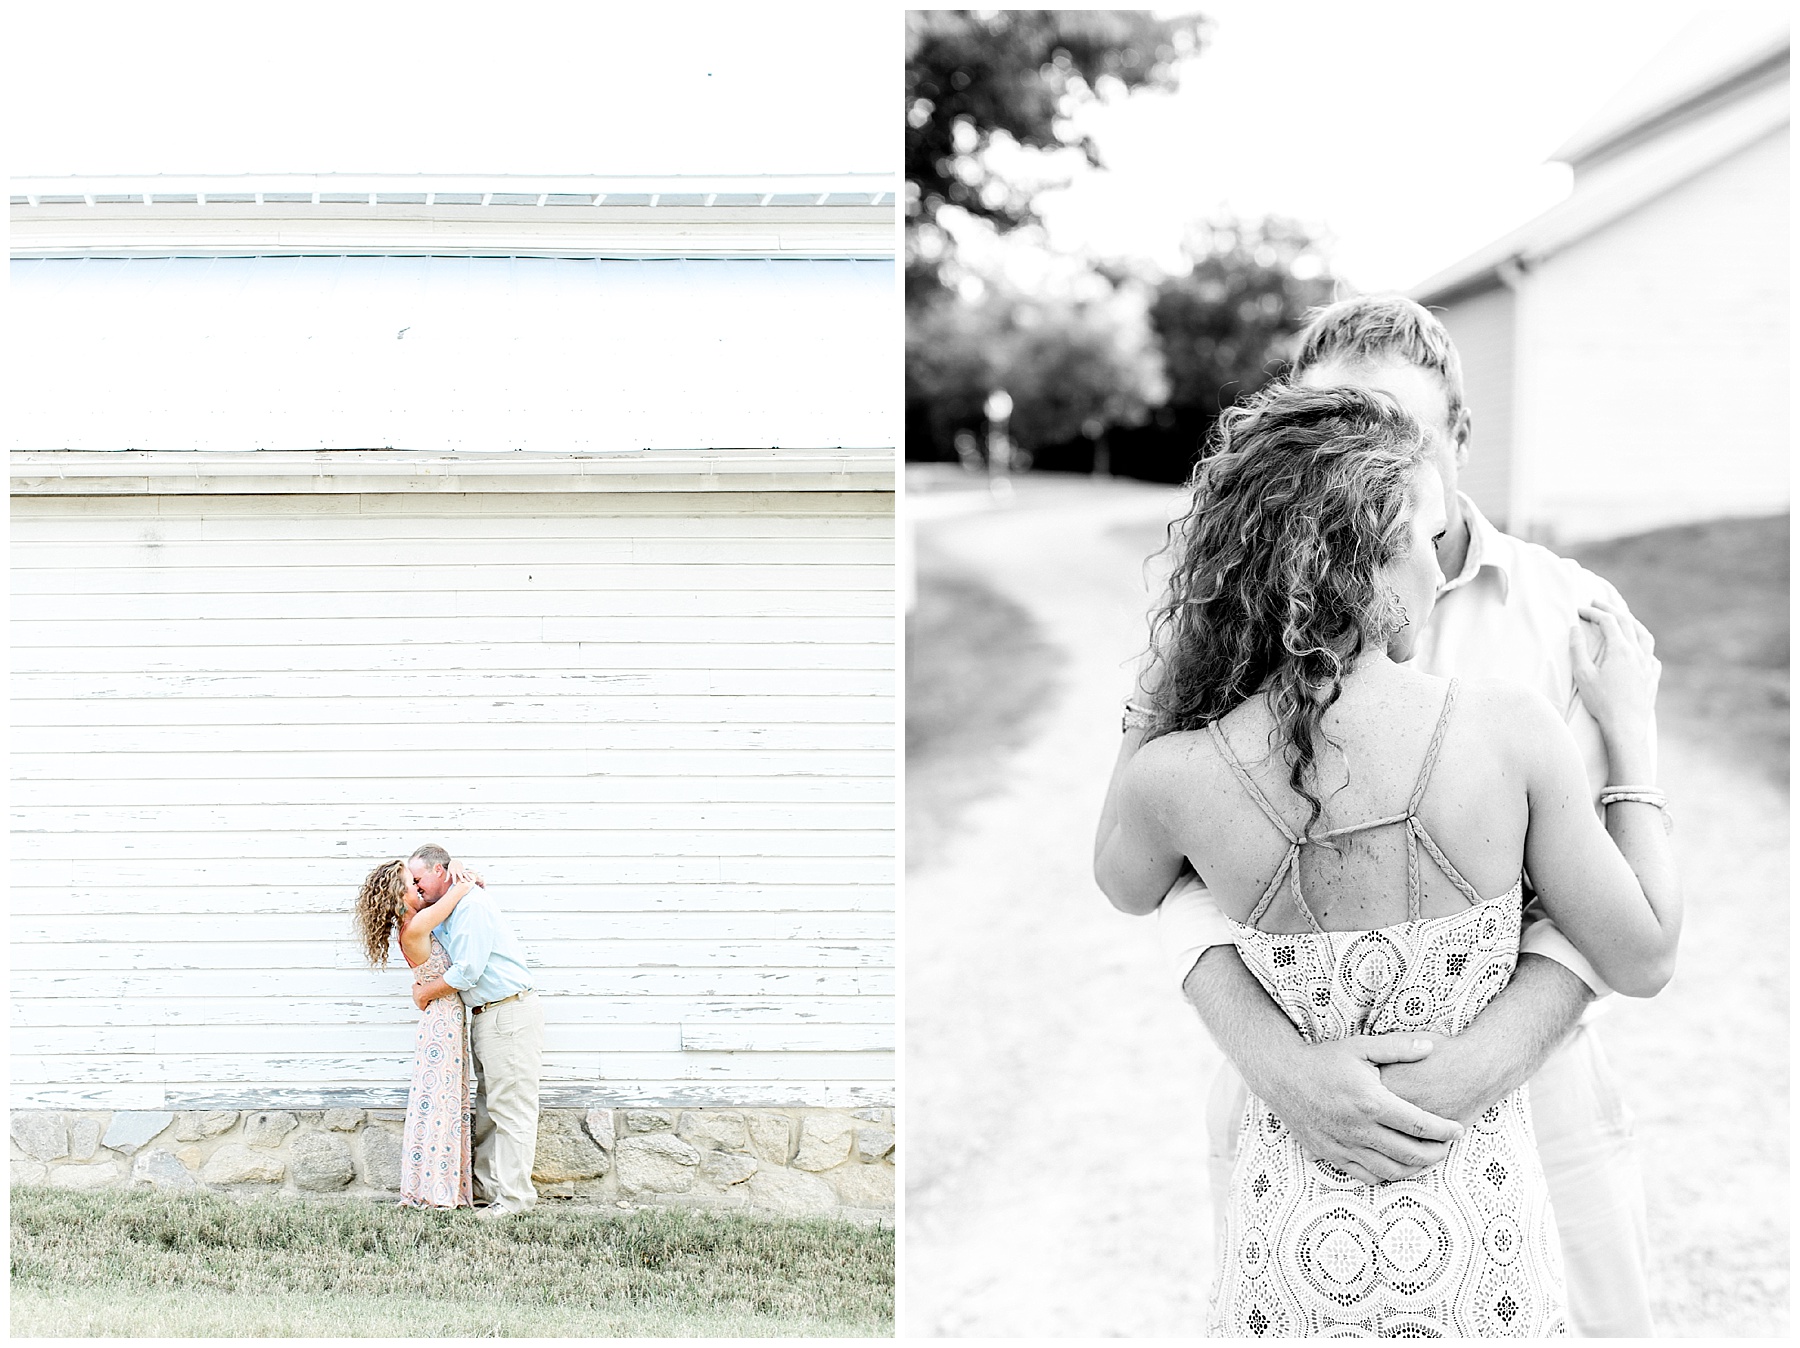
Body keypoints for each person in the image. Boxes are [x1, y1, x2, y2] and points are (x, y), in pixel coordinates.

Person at [1095, 383, 1680, 1334]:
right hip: (1477, 1250)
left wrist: (1158, 691)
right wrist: (1635, 743)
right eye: (1424, 536)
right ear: (1357, 553)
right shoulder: (1508, 732)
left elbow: (1123, 885)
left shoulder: (1177, 779)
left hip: (1290, 1253)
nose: (1438, 574)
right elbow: (1645, 954)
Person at [405, 843, 543, 1217]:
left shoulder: (471, 906)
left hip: (509, 1011)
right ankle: (487, 1189)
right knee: (487, 1109)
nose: (416, 887)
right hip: (486, 1015)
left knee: (511, 1110)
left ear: (438, 871)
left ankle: (514, 1200)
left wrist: (424, 994)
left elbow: (468, 970)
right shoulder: (450, 904)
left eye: (418, 879)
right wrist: (461, 870)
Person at [353, 858, 477, 1208]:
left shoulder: (415, 923)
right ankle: (435, 1190)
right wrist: (460, 873)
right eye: (412, 884)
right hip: (441, 1021)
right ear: (400, 895)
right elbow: (461, 891)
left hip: (444, 1019)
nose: (419, 888)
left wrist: (455, 867)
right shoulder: (417, 925)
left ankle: (440, 1185)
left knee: (442, 1101)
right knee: (440, 1104)